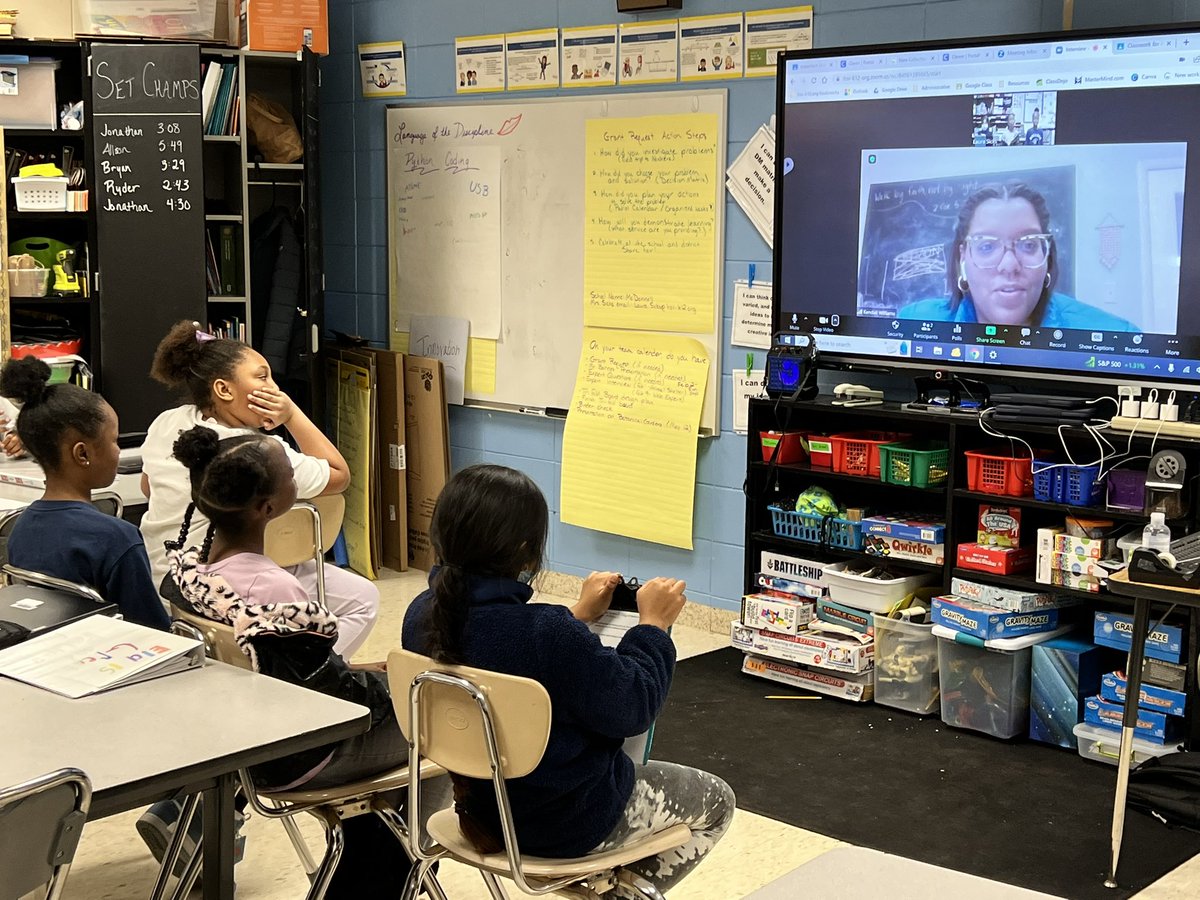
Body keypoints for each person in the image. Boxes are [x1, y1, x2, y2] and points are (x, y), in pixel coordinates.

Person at [402, 465, 734, 897]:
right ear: (526, 552)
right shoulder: (547, 633)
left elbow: (506, 650)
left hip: (480, 813)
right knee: (717, 801)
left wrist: (577, 613)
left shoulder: (421, 615)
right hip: (567, 824)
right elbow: (633, 707)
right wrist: (652, 626)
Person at [146, 425, 434, 898]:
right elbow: (329, 701)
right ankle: (392, 877)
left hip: (244, 743)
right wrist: (396, 690)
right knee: (438, 732)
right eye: (288, 473)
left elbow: (293, 672)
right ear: (269, 508)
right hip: (301, 755)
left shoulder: (195, 571)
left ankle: (370, 855)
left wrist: (357, 673)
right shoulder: (272, 590)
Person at [139, 320, 379, 658]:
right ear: (224, 390)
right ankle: (313, 675)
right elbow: (339, 474)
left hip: (167, 577)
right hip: (226, 582)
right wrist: (292, 413)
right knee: (363, 599)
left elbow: (147, 487)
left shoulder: (167, 422)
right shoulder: (260, 452)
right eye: (262, 376)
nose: (275, 388)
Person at [0, 357, 168, 629]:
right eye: (114, 440)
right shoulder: (118, 539)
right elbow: (154, 629)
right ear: (82, 453)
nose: (117, 451)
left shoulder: (21, 525)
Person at [898, 183, 1139, 330]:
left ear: (1047, 257)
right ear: (963, 258)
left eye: (1028, 245)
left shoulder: (1113, 334)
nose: (1009, 265)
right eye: (986, 247)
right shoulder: (912, 323)